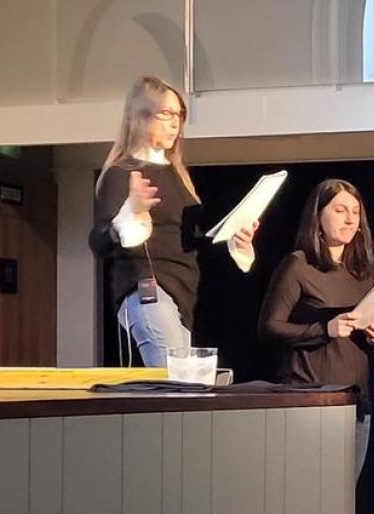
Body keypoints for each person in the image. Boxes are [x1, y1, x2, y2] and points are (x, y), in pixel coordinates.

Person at [88, 75, 258, 367]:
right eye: (166, 113)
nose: (175, 122)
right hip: (147, 291)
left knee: (184, 385)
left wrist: (234, 240)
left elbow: (189, 242)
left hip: (182, 294)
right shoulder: (122, 173)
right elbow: (100, 240)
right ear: (140, 117)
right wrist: (131, 213)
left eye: (179, 115)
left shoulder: (178, 175)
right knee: (176, 383)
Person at [257, 178, 374, 479]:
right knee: (308, 497)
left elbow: (357, 342)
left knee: (343, 504)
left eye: (355, 212)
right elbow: (269, 328)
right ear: (318, 216)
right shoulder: (298, 265)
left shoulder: (363, 274)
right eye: (340, 209)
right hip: (308, 402)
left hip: (355, 404)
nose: (349, 218)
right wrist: (324, 329)